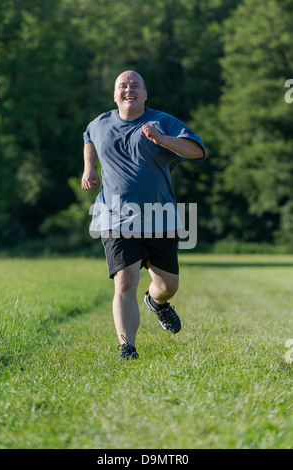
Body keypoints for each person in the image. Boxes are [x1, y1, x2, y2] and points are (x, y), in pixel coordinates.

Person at [81, 70, 205, 359]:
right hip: (116, 217)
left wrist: (162, 139)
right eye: (123, 86)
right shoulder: (100, 124)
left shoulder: (163, 121)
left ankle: (157, 302)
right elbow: (88, 137)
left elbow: (196, 150)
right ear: (115, 95)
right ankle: (127, 347)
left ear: (145, 94)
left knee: (168, 285)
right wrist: (89, 168)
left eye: (135, 85)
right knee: (124, 282)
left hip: (159, 216)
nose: (129, 89)